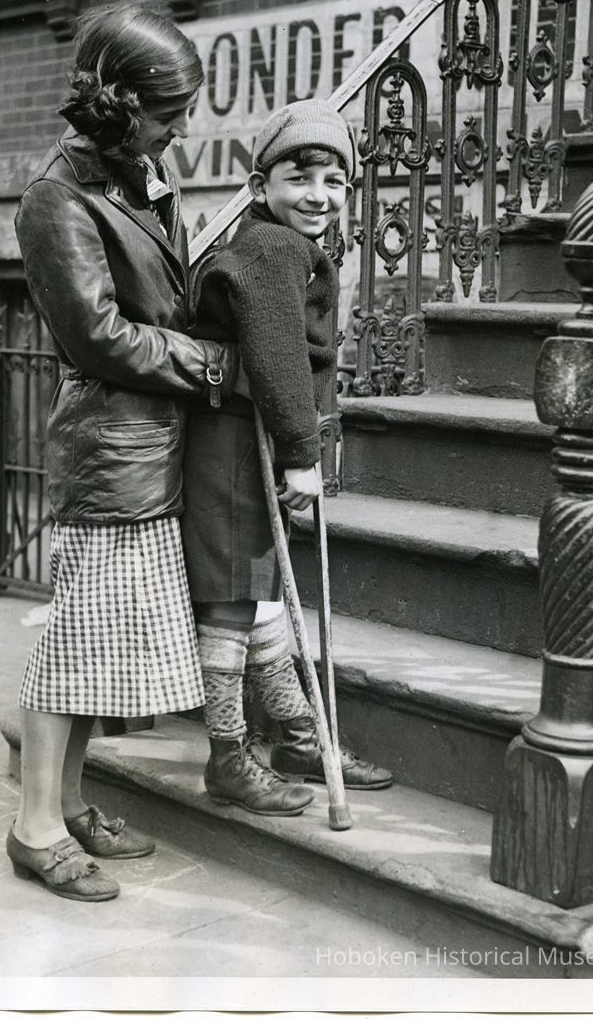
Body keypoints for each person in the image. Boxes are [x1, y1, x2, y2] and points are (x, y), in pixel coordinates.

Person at [9, 4, 237, 902]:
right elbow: (98, 338)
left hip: (150, 447)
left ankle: (65, 802)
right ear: (122, 101)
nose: (182, 129)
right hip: (110, 450)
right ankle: (32, 827)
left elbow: (158, 299)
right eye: (171, 112)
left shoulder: (133, 176)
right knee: (73, 648)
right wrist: (210, 361)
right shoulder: (55, 199)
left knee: (99, 646)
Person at [182, 98, 393, 817]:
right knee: (235, 598)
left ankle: (296, 735)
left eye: (334, 182)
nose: (318, 195)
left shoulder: (287, 246)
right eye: (299, 177)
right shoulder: (271, 248)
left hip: (255, 443)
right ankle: (226, 756)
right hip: (238, 446)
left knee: (260, 589)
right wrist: (302, 455)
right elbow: (274, 355)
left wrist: (297, 451)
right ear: (258, 184)